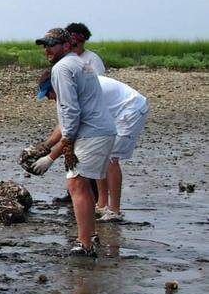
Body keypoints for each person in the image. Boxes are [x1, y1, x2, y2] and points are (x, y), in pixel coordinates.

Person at [33, 27, 116, 257]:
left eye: (52, 44)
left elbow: (70, 110)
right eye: (45, 45)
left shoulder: (61, 68)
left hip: (91, 133)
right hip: (102, 130)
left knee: (76, 185)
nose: (47, 49)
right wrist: (50, 147)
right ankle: (90, 236)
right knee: (83, 186)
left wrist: (61, 148)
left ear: (66, 45)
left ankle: (84, 244)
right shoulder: (80, 63)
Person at [27, 72, 148, 223]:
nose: (49, 98)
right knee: (101, 155)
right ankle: (102, 205)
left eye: (48, 93)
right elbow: (65, 123)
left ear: (56, 87)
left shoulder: (79, 93)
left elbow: (71, 133)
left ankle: (114, 211)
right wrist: (44, 146)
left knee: (111, 158)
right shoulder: (69, 89)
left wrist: (50, 158)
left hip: (130, 108)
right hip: (112, 110)